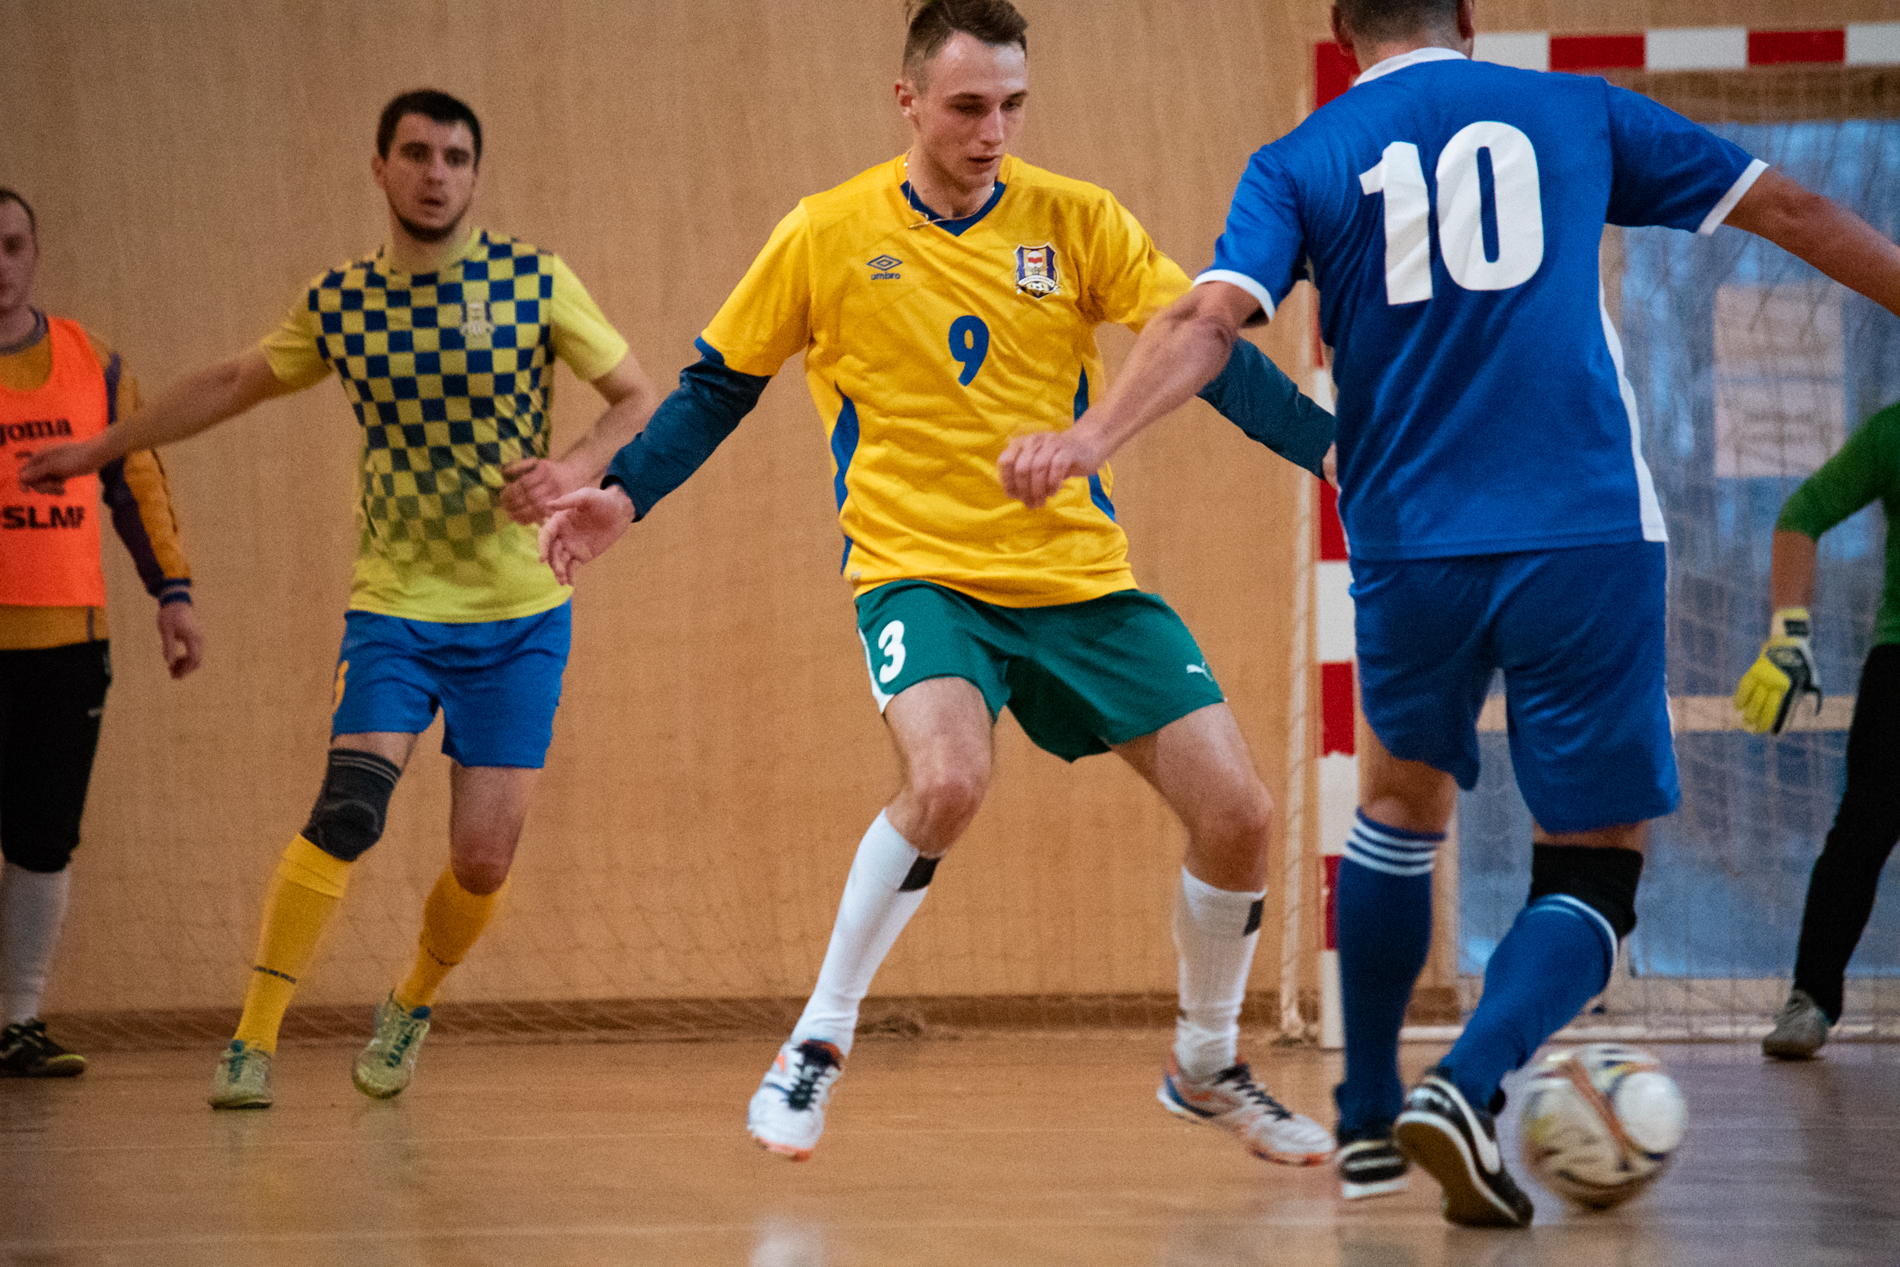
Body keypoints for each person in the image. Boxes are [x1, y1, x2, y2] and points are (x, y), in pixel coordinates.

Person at [999, 0, 1900, 1228]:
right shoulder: (1575, 110)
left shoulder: (1302, 156)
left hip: (1407, 543)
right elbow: (1789, 208)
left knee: (1394, 806)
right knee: (1597, 860)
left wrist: (1091, 436)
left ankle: (1370, 1120)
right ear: (1466, 18)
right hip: (1582, 531)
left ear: (1343, 29)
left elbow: (1207, 320)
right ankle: (1466, 1084)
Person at [539, 0, 1337, 1166]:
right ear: (906, 100)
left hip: (1077, 577)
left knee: (1241, 815)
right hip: (918, 573)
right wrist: (625, 494)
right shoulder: (825, 231)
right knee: (949, 777)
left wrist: (1332, 452)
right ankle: (815, 1041)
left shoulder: (1077, 219)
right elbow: (718, 385)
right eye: (967, 107)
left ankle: (1206, 1065)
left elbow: (1198, 344)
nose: (991, 132)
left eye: (1011, 106)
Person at [20, 91, 658, 1108]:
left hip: (520, 616)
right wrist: (101, 447)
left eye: (456, 157)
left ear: (475, 174)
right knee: (349, 808)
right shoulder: (343, 302)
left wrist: (573, 466)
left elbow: (637, 396)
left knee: (482, 860)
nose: (436, 173)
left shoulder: (532, 280)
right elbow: (231, 381)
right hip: (395, 609)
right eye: (417, 153)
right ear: (379, 166)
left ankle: (410, 1002)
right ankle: (252, 1039)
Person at [0, 188, 203, 1078]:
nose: (0, 264)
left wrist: (174, 593)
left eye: (13, 245)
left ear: (35, 252)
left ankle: (19, 1019)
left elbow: (138, 482)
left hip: (67, 645)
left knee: (44, 837)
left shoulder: (91, 361)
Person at [1735, 400, 1900, 1059]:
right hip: (1899, 665)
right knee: (1861, 832)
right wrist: (1789, 636)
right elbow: (1801, 514)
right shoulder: (1893, 432)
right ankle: (1810, 999)